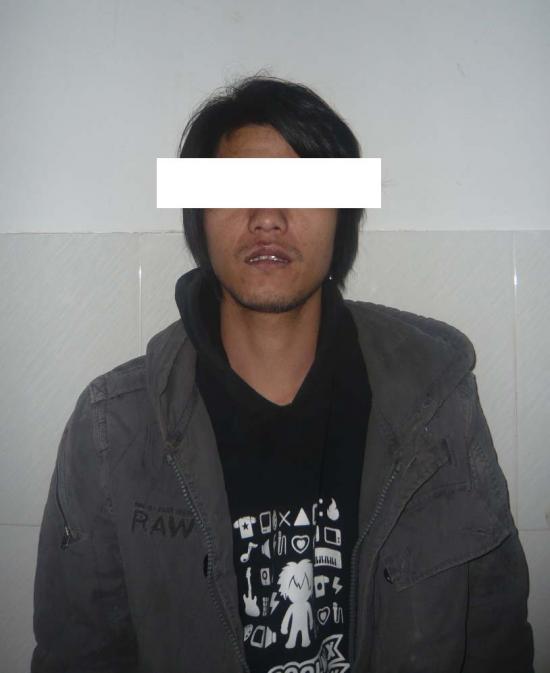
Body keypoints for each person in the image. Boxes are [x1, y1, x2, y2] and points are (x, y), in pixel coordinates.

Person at [32, 75, 534, 673]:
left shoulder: (438, 400)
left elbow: (496, 637)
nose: (267, 217)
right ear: (198, 217)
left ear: (342, 216)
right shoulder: (111, 433)